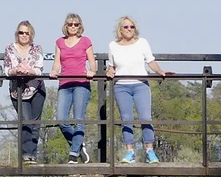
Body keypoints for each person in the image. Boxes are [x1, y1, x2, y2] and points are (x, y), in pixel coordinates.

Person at [106, 15, 168, 163]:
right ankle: (130, 152)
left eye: (132, 27)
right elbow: (111, 66)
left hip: (140, 84)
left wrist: (160, 71)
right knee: (126, 119)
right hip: (121, 86)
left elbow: (150, 61)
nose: (129, 29)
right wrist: (109, 72)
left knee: (145, 117)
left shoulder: (142, 43)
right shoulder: (112, 46)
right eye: (126, 27)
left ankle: (149, 151)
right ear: (120, 29)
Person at [51, 14, 94, 163]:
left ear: (80, 25)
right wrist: (54, 71)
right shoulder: (60, 42)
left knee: (78, 118)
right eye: (70, 24)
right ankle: (78, 143)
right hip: (64, 83)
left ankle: (74, 154)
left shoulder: (85, 41)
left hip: (81, 83)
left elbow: (92, 63)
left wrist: (91, 71)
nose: (73, 27)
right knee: (61, 119)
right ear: (66, 25)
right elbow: (57, 62)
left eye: (76, 24)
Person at [2, 20, 47, 163]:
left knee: (35, 123)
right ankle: (26, 154)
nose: (23, 35)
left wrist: (29, 71)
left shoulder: (37, 49)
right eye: (21, 32)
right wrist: (16, 71)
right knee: (25, 121)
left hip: (37, 88)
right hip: (18, 90)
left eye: (26, 33)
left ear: (31, 34)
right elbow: (7, 69)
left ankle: (32, 154)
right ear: (17, 34)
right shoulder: (9, 49)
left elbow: (39, 69)